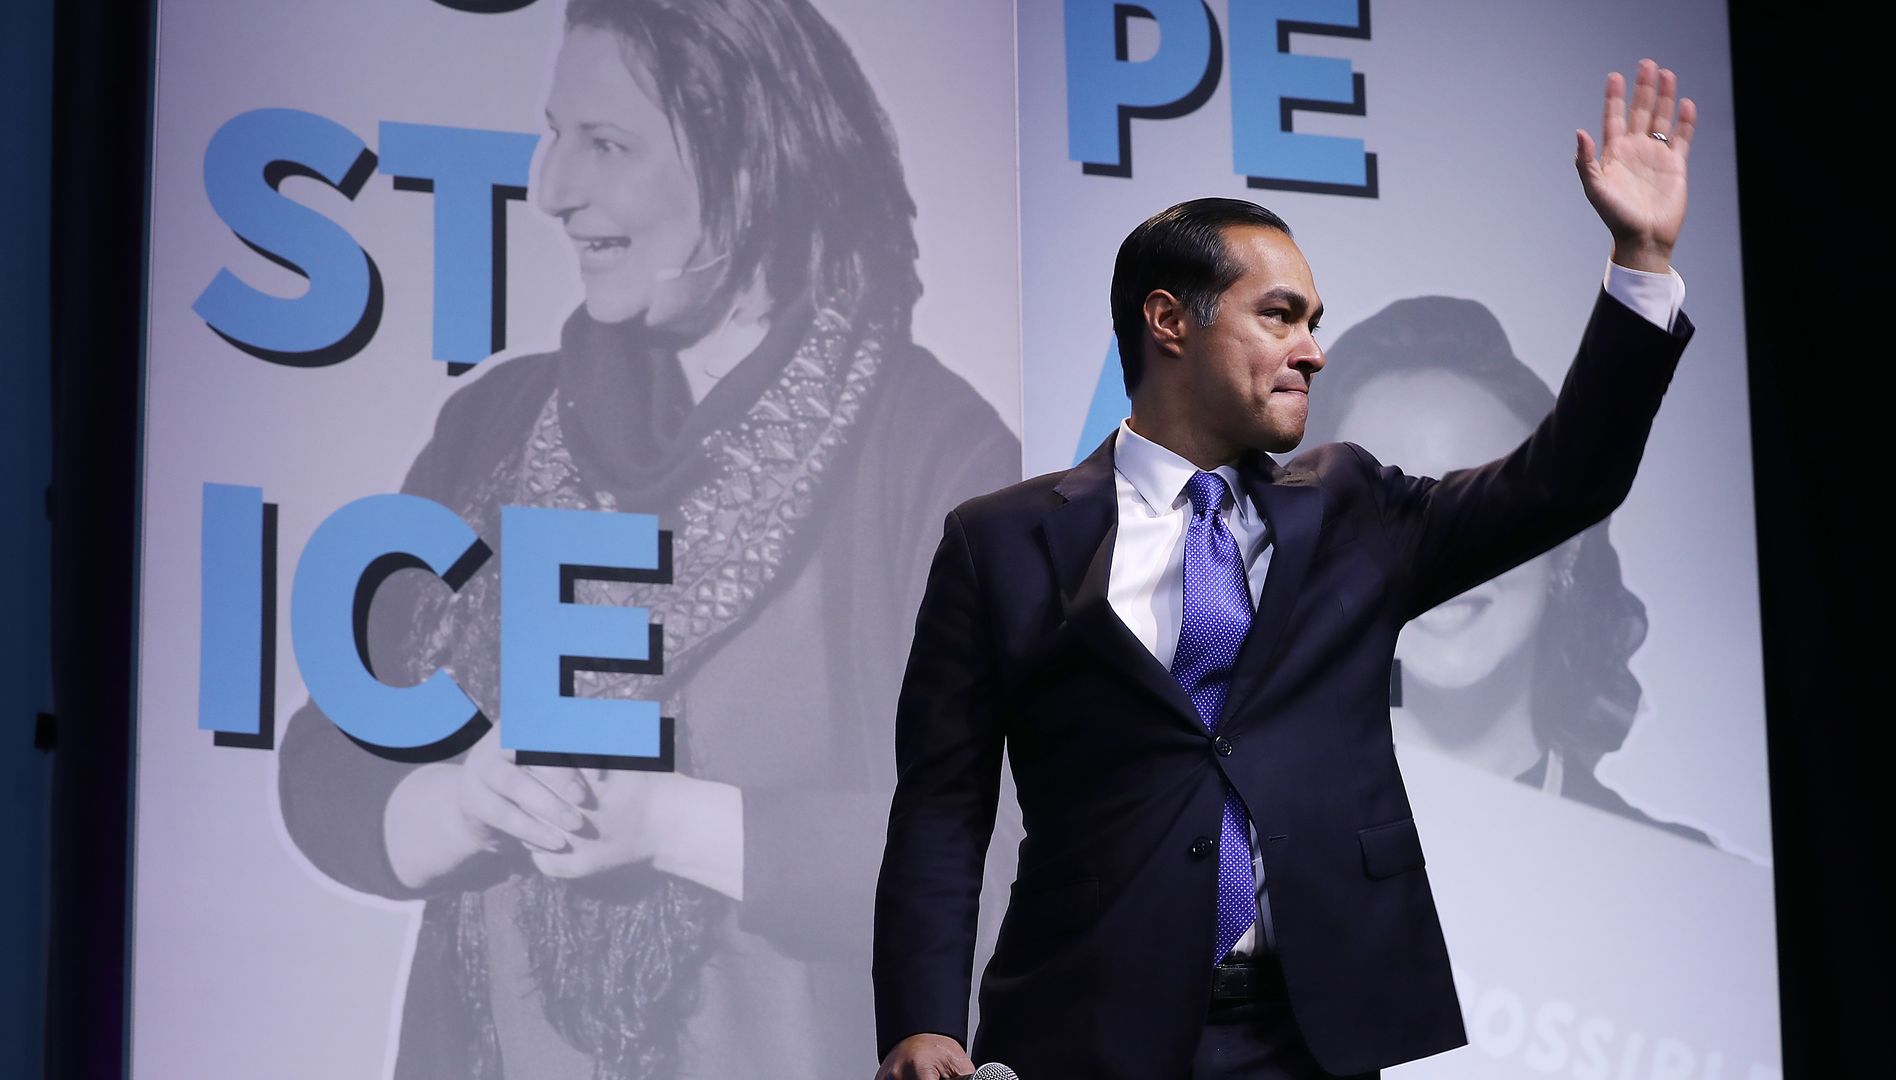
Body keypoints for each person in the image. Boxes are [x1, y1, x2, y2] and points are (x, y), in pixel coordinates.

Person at [873, 60, 1697, 1079]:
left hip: (1311, 1037)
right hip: (1083, 1030)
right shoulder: (996, 540)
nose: (1312, 351)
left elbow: (1563, 482)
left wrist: (1640, 261)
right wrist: (922, 1020)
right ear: (1170, 321)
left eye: (1315, 322)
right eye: (1280, 316)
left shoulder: (1353, 508)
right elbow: (943, 804)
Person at [276, 1, 1016, 1078]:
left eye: (607, 145)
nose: (551, 187)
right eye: (555, 132)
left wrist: (673, 825)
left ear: (751, 161)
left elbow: (999, 851)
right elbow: (326, 762)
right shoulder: (494, 427)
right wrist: (457, 803)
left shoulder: (929, 453)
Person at [1310, 296, 1712, 844]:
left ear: (1563, 547)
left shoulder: (1675, 871)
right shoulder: (1237, 853)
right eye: (1390, 509)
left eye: (1482, 500)